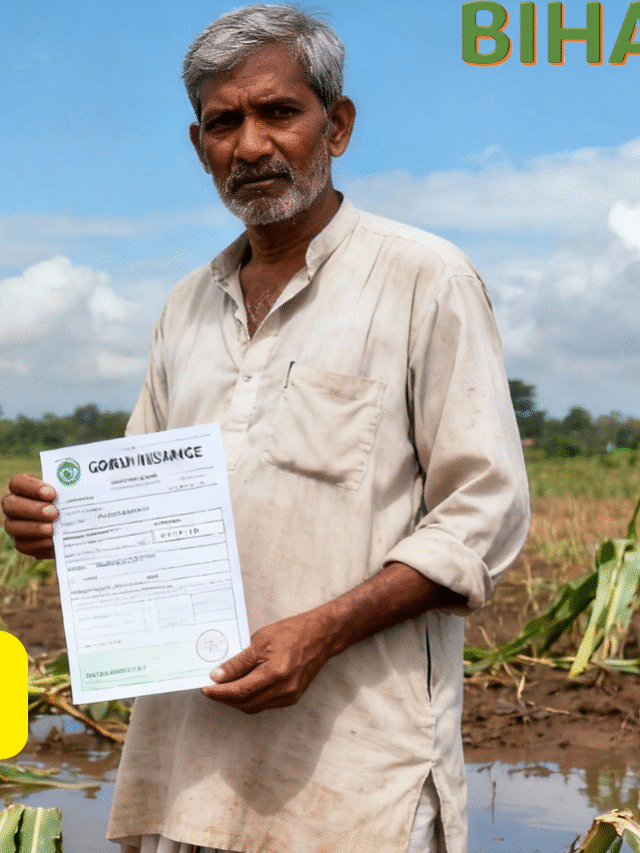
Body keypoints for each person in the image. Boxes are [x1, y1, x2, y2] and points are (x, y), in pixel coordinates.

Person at [2, 6, 530, 853]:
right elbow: (138, 506)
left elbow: (486, 512)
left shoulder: (422, 280)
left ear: (339, 124)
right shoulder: (185, 306)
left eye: (278, 112)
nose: (249, 145)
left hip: (355, 781)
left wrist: (321, 631)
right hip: (189, 766)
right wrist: (60, 526)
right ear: (199, 144)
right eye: (223, 122)